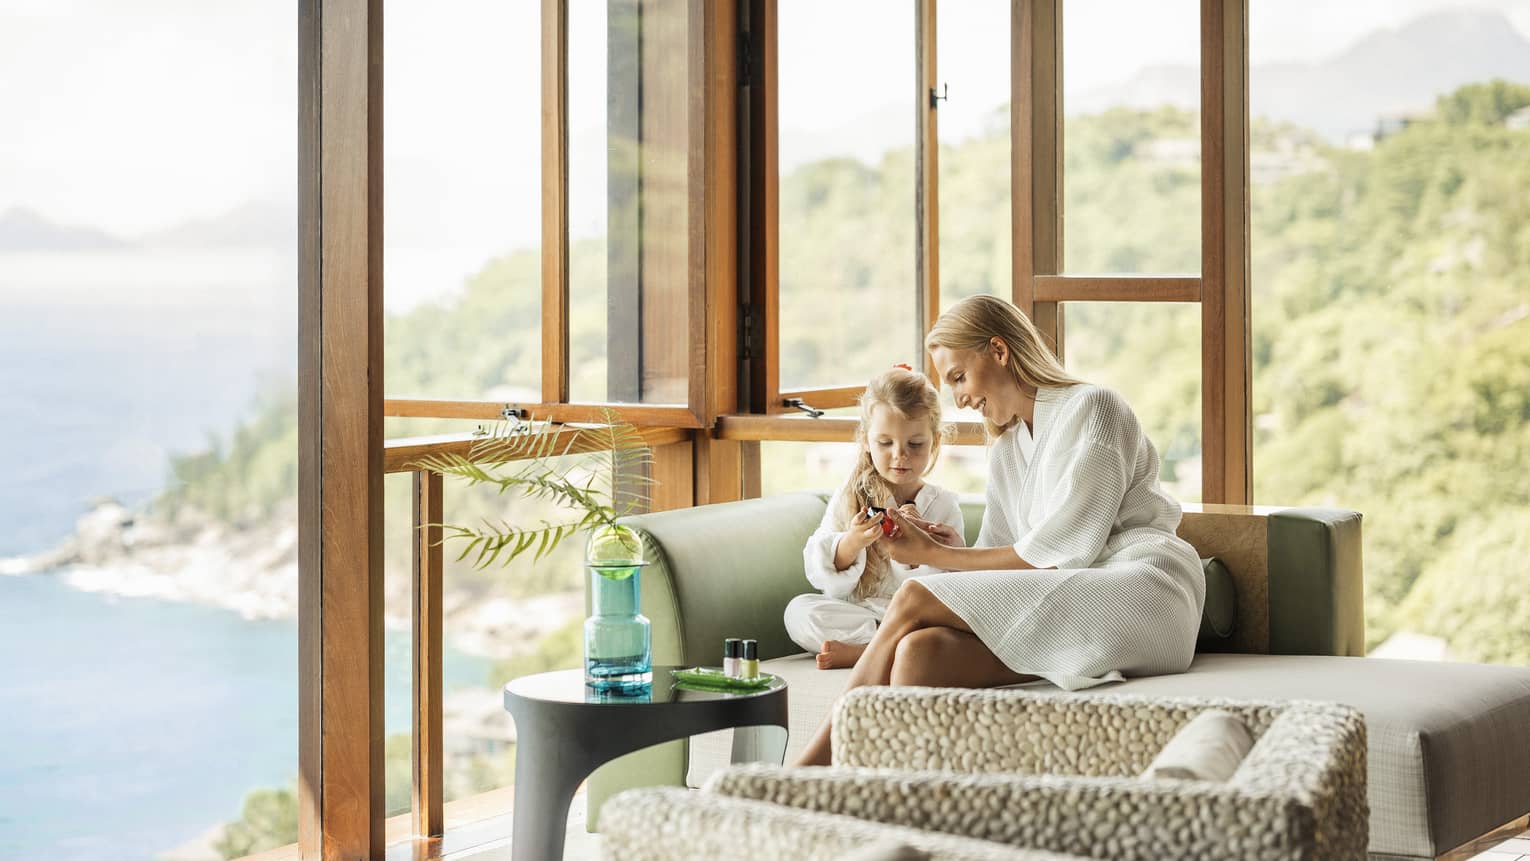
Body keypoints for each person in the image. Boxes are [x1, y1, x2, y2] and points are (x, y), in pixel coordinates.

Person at [794, 295, 1205, 767]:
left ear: (999, 351)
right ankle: (899, 801)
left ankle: (809, 770)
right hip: (1066, 595)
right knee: (918, 654)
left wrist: (934, 556)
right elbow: (998, 557)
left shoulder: (1093, 408)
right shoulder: (1008, 445)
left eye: (958, 377)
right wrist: (946, 548)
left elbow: (1063, 552)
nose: (960, 399)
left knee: (912, 598)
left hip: (1142, 589)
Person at [784, 366, 966, 670]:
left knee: (946, 631)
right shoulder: (849, 495)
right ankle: (883, 647)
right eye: (886, 443)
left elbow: (952, 583)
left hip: (916, 618)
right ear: (866, 440)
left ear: (934, 442)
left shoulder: (944, 504)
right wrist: (851, 542)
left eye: (915, 444)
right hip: (865, 615)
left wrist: (918, 545)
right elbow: (823, 574)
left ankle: (863, 653)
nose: (900, 455)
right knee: (799, 612)